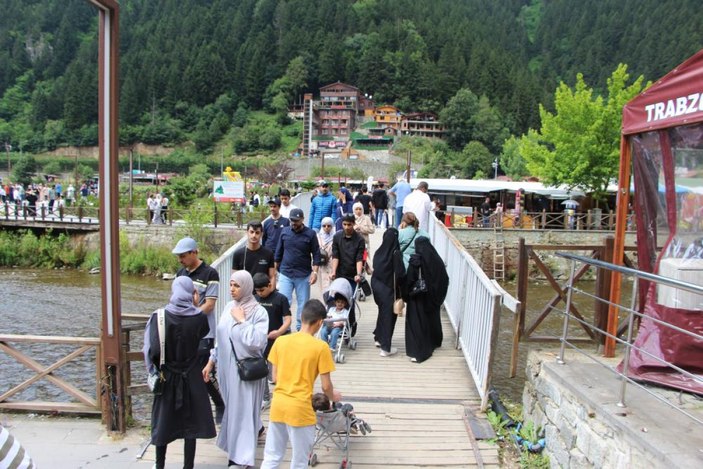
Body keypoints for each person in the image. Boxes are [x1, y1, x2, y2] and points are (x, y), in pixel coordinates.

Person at [143, 277, 216, 469]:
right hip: (191, 375)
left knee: (163, 422)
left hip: (168, 376)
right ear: (192, 293)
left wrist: (154, 370)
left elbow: (152, 351)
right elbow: (202, 337)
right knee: (190, 425)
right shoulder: (199, 317)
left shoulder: (160, 316)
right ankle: (188, 466)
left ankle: (160, 465)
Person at [261, 299, 342, 469]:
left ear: (303, 317)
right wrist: (333, 396)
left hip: (279, 405)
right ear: (320, 322)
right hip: (300, 408)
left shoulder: (281, 341)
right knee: (299, 461)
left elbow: (274, 377)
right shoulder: (321, 347)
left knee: (272, 457)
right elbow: (326, 386)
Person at [203, 271, 269, 468]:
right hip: (227, 371)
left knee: (243, 413)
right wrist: (211, 361)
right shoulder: (228, 307)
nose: (232, 289)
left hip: (246, 372)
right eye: (231, 285)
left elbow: (258, 342)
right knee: (236, 411)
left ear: (247, 287)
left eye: (237, 285)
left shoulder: (258, 312)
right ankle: (237, 449)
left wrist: (242, 321)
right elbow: (221, 338)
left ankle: (241, 459)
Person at [173, 237, 225, 423]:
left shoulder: (210, 273)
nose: (180, 260)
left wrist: (191, 316)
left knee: (206, 372)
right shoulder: (181, 274)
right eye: (179, 256)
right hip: (184, 333)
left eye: (183, 255)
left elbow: (209, 304)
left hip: (204, 332)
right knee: (186, 371)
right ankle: (192, 408)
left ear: (194, 252)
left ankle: (219, 403)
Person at [274, 208, 321, 331]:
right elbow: (278, 254)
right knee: (284, 302)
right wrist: (274, 273)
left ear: (302, 219)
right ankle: (285, 328)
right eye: (292, 220)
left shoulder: (310, 234)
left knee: (303, 304)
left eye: (296, 220)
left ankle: (301, 329)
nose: (294, 223)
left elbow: (316, 255)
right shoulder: (284, 232)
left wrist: (314, 272)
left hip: (303, 275)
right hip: (286, 273)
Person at [405, 236, 449, 363]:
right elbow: (444, 278)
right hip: (433, 297)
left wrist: (406, 294)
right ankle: (435, 341)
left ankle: (419, 351)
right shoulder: (437, 259)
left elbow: (410, 279)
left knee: (417, 323)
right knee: (433, 320)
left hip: (419, 297)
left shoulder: (416, 260)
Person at [253, 272, 292, 409]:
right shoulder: (255, 299)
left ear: (270, 285)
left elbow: (288, 319)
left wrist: (279, 332)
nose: (260, 293)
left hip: (278, 340)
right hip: (260, 340)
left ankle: (283, 396)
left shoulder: (280, 299)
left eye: (262, 290)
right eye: (257, 291)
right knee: (262, 370)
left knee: (278, 371)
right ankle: (265, 397)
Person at [371, 228, 405, 357]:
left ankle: (378, 338)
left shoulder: (379, 252)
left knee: (382, 313)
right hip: (388, 289)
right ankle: (385, 348)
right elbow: (400, 274)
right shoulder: (395, 253)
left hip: (376, 286)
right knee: (389, 317)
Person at [232, 221, 276, 288]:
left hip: (263, 294)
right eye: (251, 232)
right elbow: (234, 279)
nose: (254, 235)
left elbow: (272, 276)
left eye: (257, 233)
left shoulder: (268, 253)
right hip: (245, 294)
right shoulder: (238, 254)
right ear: (247, 233)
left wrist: (270, 292)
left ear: (261, 234)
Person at [331, 214, 365, 292]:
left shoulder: (360, 239)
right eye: (344, 224)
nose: (346, 227)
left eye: (349, 225)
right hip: (339, 275)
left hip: (353, 276)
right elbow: (335, 256)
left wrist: (359, 274)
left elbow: (359, 258)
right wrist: (333, 272)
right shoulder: (337, 237)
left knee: (350, 300)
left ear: (353, 224)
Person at [320, 287, 351, 352]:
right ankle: (325, 345)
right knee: (323, 331)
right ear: (335, 302)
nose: (340, 304)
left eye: (342, 302)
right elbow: (328, 315)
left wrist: (339, 323)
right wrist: (328, 317)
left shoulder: (345, 311)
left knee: (334, 333)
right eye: (338, 302)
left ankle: (332, 347)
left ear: (345, 304)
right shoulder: (332, 309)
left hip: (338, 327)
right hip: (329, 325)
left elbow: (345, 320)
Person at [317, 217, 335, 295]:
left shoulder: (336, 236)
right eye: (324, 226)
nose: (326, 228)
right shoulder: (318, 236)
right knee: (323, 287)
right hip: (321, 264)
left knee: (332, 287)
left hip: (332, 263)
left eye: (329, 226)